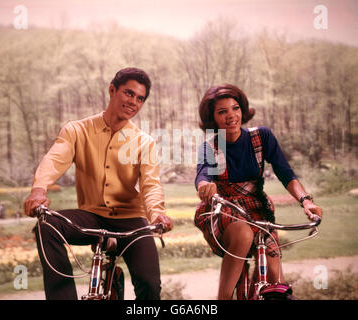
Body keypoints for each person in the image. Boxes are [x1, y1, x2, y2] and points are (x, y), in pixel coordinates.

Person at [24, 67, 173, 300]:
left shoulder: (145, 142)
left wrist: (157, 214)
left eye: (140, 98)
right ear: (112, 90)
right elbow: (54, 159)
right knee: (47, 225)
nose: (133, 101)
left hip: (131, 221)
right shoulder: (77, 130)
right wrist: (38, 190)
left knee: (149, 286)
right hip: (92, 216)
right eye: (128, 93)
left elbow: (150, 185)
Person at [194, 84, 323, 300]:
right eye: (222, 112)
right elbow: (202, 176)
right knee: (243, 234)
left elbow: (286, 173)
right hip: (224, 208)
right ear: (212, 118)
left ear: (242, 110)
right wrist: (205, 187)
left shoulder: (261, 137)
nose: (231, 116)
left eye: (235, 108)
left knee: (274, 275)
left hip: (257, 208)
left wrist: (306, 201)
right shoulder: (211, 147)